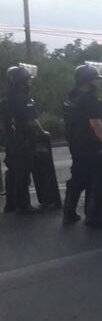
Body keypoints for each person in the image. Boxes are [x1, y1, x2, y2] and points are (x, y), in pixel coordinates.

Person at [61, 64, 102, 225]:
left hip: (76, 145)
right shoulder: (90, 100)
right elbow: (96, 124)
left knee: (78, 179)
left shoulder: (72, 98)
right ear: (88, 81)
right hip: (92, 146)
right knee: (100, 181)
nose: (99, 82)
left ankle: (69, 212)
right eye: (96, 79)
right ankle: (94, 217)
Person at [1, 65, 54, 214]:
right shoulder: (24, 99)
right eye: (27, 80)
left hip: (10, 140)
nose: (30, 82)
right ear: (21, 82)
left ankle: (10, 205)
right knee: (23, 172)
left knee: (12, 171)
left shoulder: (5, 100)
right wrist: (43, 132)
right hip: (24, 140)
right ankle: (23, 206)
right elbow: (31, 120)